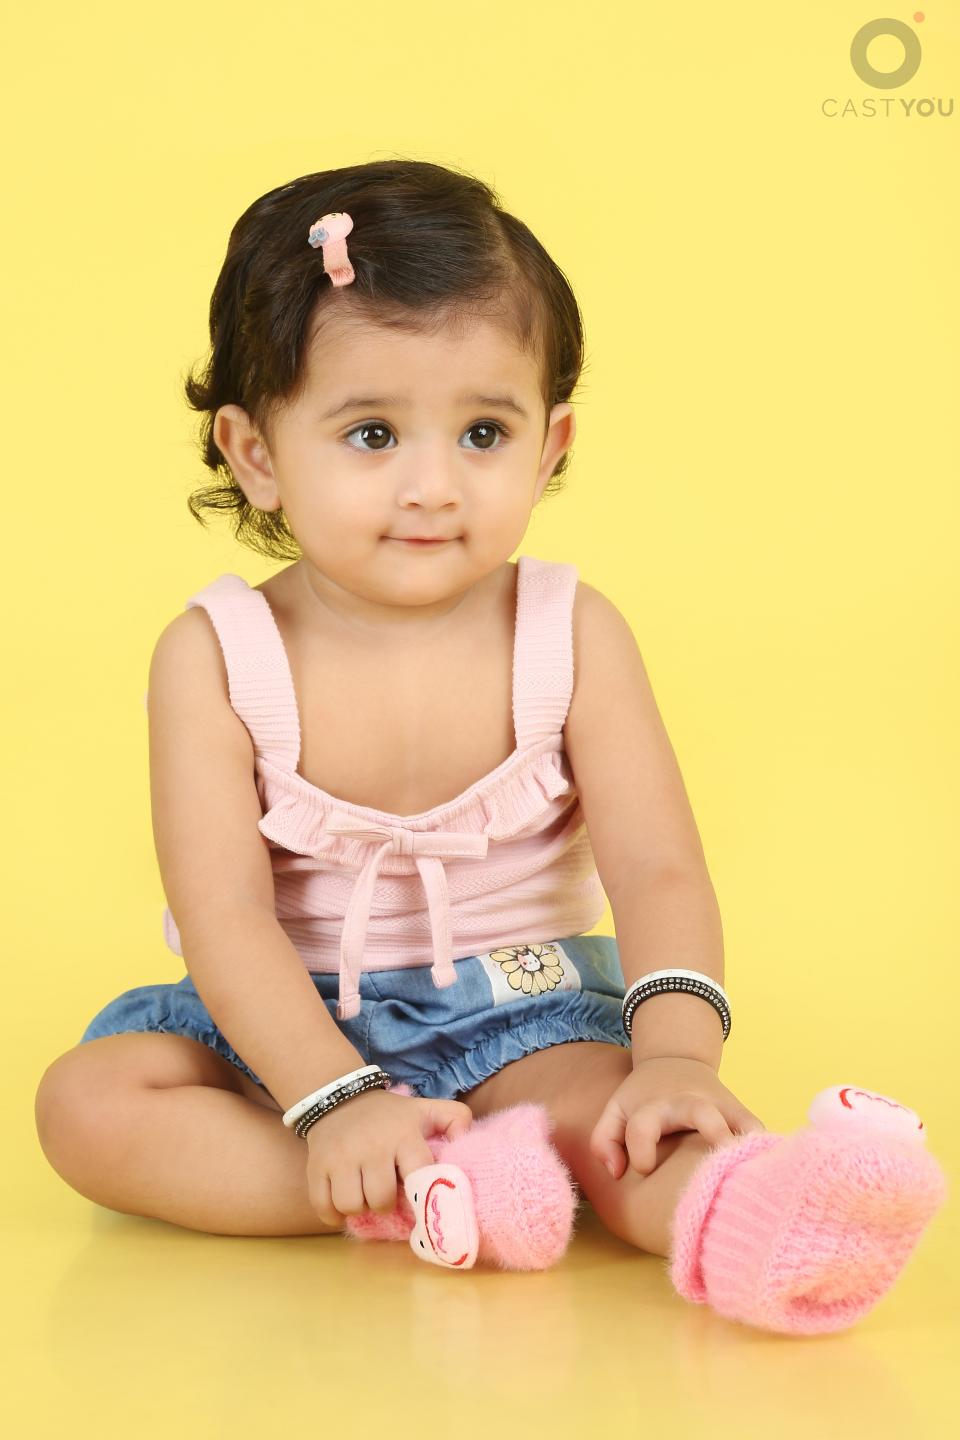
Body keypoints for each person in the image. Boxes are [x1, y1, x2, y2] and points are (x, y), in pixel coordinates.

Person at [33, 159, 946, 1324]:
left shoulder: (573, 633)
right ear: (255, 453)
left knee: (627, 1122)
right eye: (372, 434)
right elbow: (225, 916)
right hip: (282, 1038)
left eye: (481, 432)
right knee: (88, 1107)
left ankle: (768, 1216)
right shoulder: (213, 655)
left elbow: (657, 868)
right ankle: (417, 1188)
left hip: (522, 1021)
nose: (433, 487)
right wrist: (332, 1100)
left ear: (550, 445)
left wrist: (676, 1059)